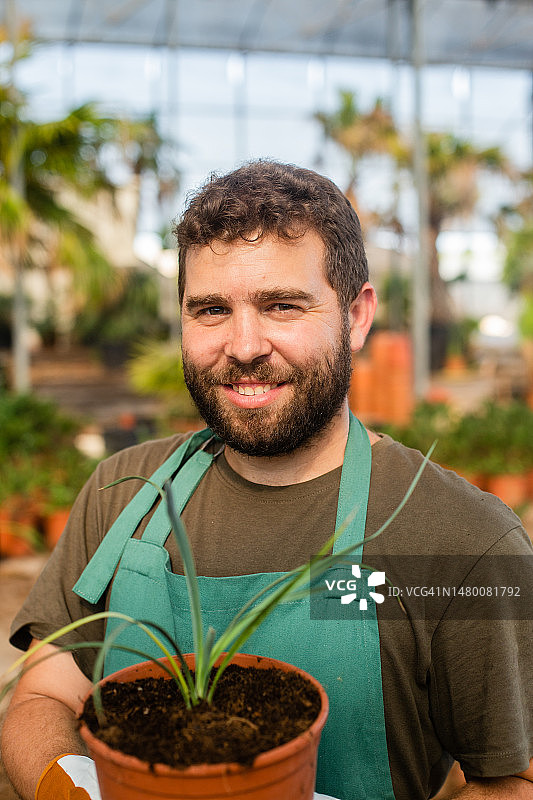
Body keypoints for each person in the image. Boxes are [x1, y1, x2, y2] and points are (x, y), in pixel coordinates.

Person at [2, 160, 532, 800]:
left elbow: (512, 780)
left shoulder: (463, 540)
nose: (244, 345)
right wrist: (72, 793)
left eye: (282, 305)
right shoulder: (127, 489)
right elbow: (43, 692)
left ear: (357, 317)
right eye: (210, 310)